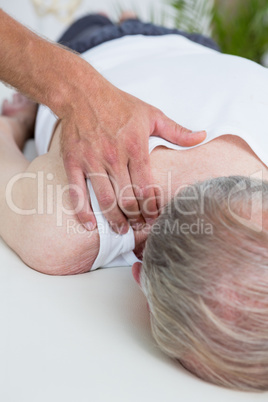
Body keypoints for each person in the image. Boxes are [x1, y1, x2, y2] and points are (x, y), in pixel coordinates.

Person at [1, 11, 268, 392]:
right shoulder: (70, 226)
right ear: (140, 273)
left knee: (99, 21)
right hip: (92, 53)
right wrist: (17, 121)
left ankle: (126, 18)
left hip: (192, 51)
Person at [0, 8, 207, 234]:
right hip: (191, 49)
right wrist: (81, 95)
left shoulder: (60, 228)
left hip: (96, 49)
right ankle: (129, 20)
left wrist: (18, 123)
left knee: (91, 21)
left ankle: (121, 20)